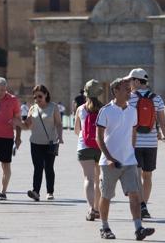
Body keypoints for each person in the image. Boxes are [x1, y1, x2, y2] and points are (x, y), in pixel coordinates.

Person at [97, 78, 155, 241]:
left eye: (130, 90)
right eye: (126, 90)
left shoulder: (132, 110)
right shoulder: (106, 110)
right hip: (109, 162)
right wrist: (108, 158)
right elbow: (99, 137)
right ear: (115, 90)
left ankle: (138, 228)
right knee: (106, 196)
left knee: (135, 195)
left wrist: (132, 151)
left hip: (129, 161)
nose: (130, 92)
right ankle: (105, 227)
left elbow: (133, 132)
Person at [125, 68, 165, 219]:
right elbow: (163, 123)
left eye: (131, 80)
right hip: (151, 143)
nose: (129, 83)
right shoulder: (157, 99)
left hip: (135, 143)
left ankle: (140, 205)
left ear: (137, 81)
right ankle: (144, 205)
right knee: (148, 176)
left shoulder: (130, 99)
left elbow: (126, 122)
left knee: (137, 175)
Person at [23, 85, 63, 201]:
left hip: (50, 142)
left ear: (46, 95)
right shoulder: (33, 108)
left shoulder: (53, 107)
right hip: (35, 142)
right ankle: (36, 192)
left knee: (49, 167)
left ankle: (50, 192)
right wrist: (20, 123)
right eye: (35, 97)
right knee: (38, 167)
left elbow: (59, 124)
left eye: (40, 96)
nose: (37, 99)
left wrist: (60, 137)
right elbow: (27, 125)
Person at [74, 79, 103, 221]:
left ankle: (91, 209)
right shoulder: (104, 108)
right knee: (99, 179)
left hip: (84, 147)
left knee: (88, 179)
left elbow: (76, 130)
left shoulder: (80, 109)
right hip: (101, 147)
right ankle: (97, 208)